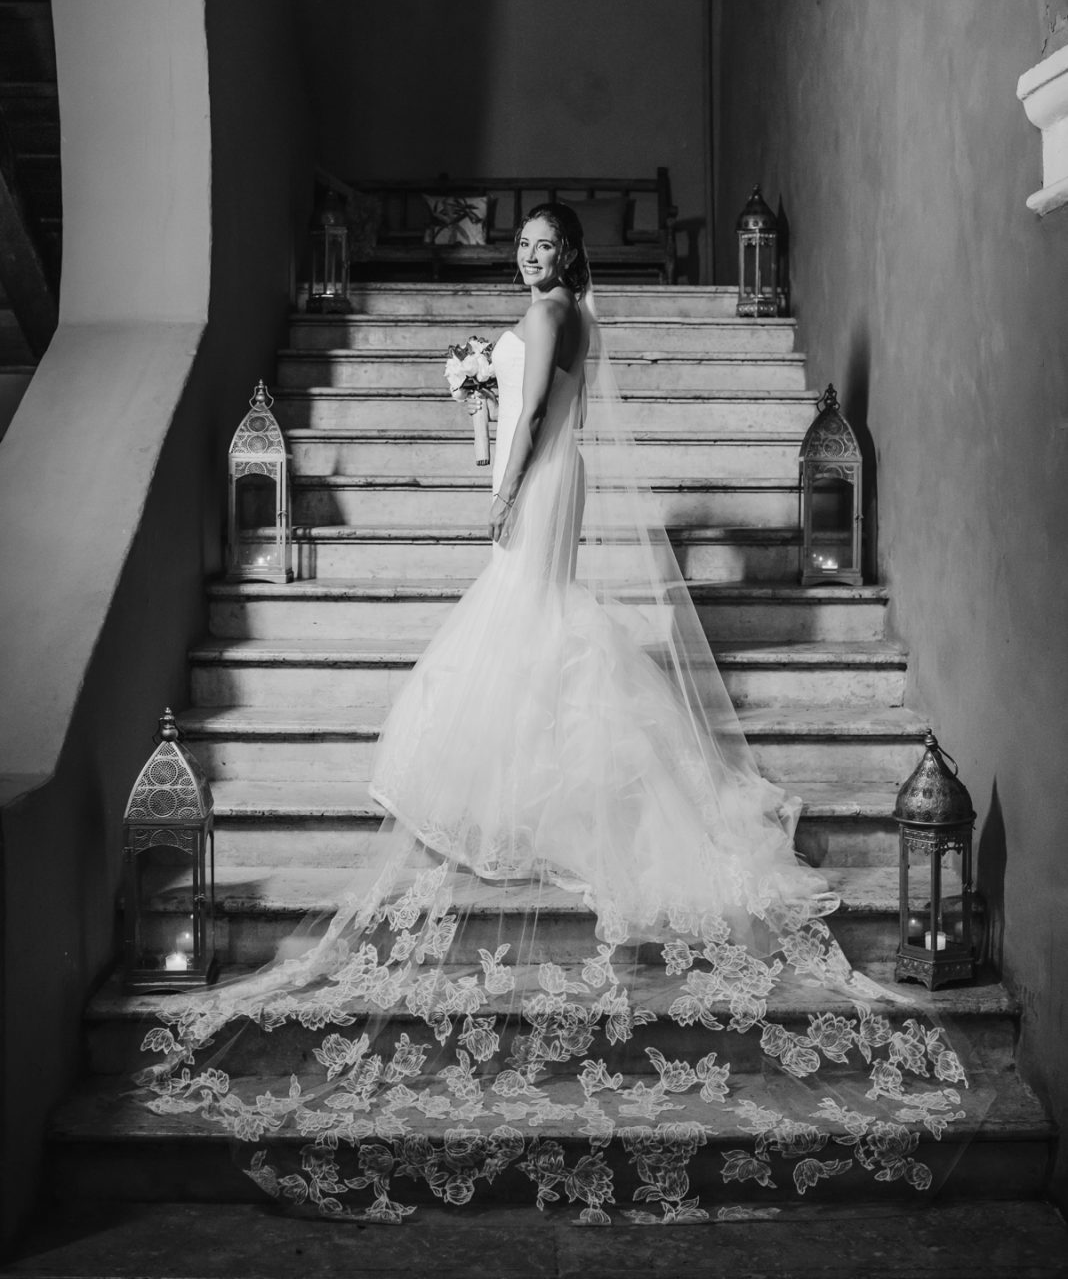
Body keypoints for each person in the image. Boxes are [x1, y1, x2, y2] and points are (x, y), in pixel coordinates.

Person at [136, 204, 978, 1223]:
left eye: (546, 245)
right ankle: (537, 762)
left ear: (568, 253)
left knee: (522, 609)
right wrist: (485, 385)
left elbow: (535, 412)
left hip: (539, 476)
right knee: (539, 611)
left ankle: (516, 784)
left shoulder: (547, 316)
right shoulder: (575, 312)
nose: (532, 256)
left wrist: (502, 485)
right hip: (560, 474)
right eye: (524, 245)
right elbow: (539, 396)